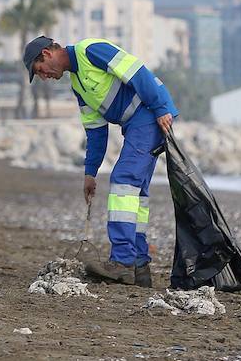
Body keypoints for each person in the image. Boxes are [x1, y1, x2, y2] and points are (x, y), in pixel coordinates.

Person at [23, 35, 179, 287]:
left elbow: (137, 72)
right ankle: (139, 267)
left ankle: (122, 262)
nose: (43, 77)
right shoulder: (77, 85)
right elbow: (96, 131)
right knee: (136, 193)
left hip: (149, 114)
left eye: (39, 71)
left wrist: (161, 108)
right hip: (137, 123)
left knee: (123, 181)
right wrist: (90, 173)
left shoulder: (91, 50)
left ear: (46, 54)